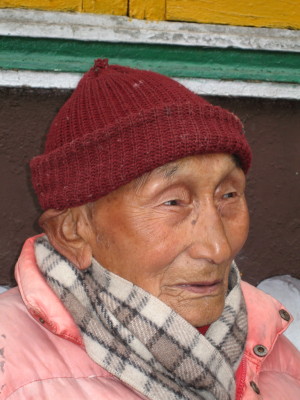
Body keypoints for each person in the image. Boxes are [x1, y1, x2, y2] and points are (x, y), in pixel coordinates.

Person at [0, 59, 300, 400]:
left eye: (228, 195)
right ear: (73, 232)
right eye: (172, 203)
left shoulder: (275, 352)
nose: (217, 248)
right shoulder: (13, 375)